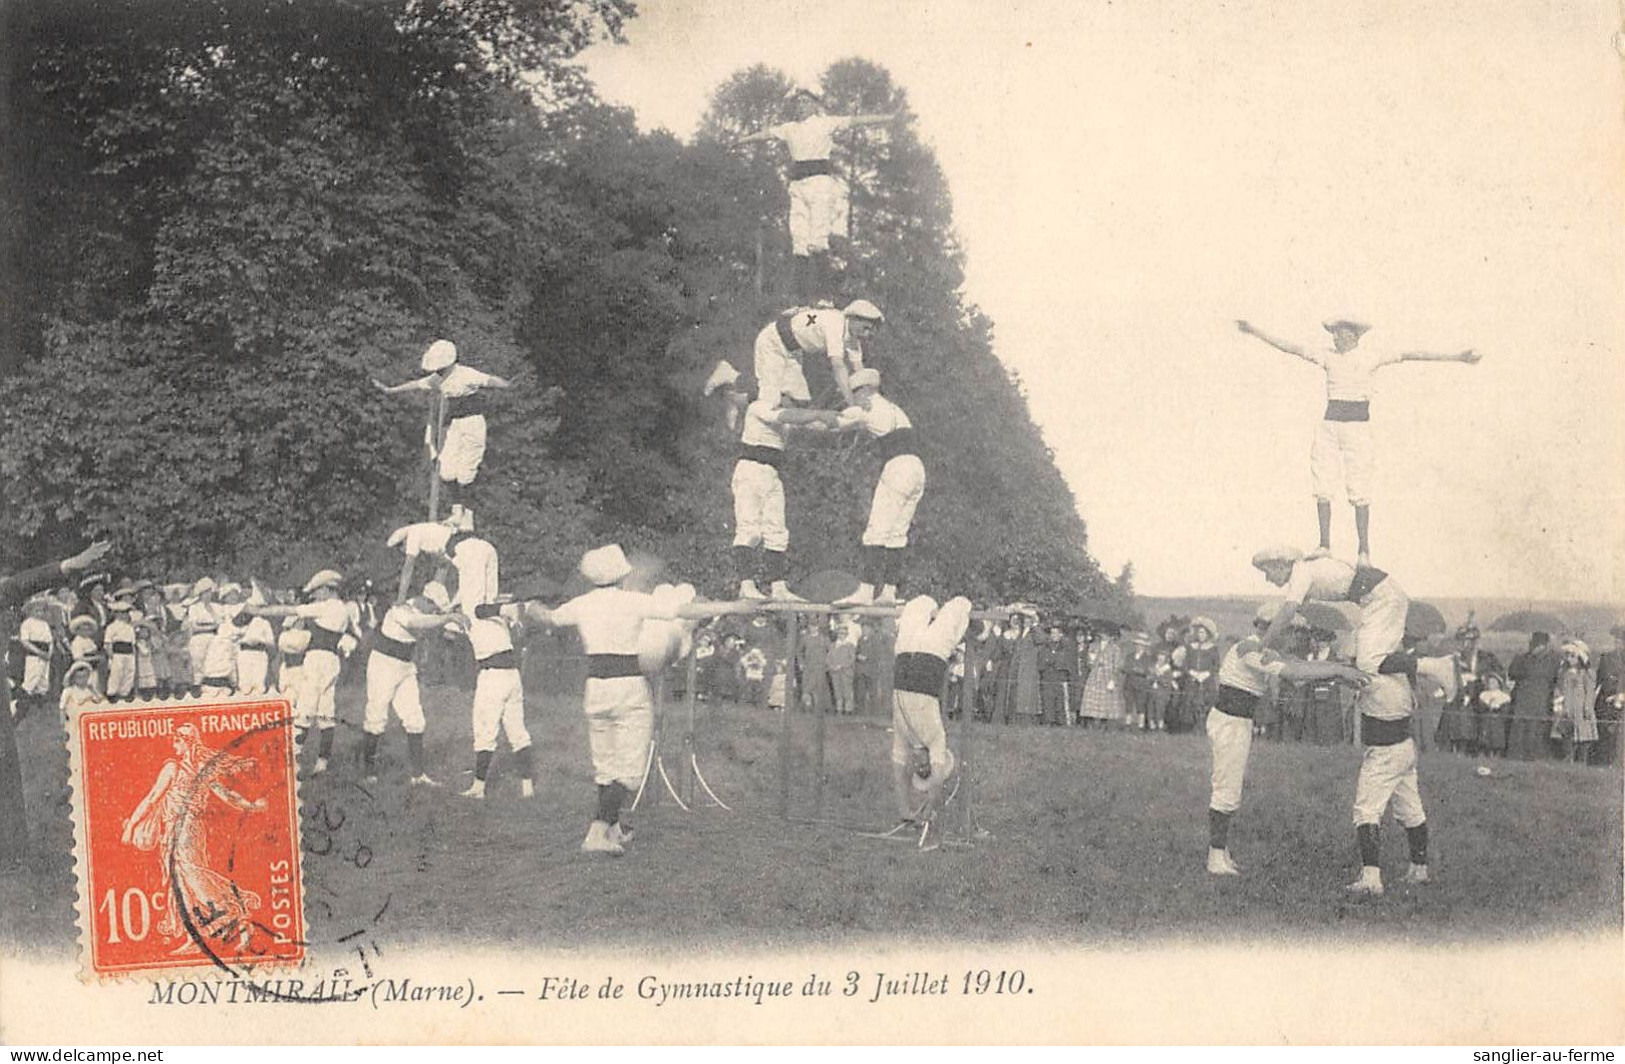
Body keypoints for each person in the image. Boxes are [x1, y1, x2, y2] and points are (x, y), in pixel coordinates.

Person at [1235, 317, 1480, 564]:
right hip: (1329, 426)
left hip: (1357, 428)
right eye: (1334, 334)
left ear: (1354, 336)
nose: (1336, 338)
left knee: (1359, 488)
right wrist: (1255, 331)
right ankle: (1324, 545)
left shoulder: (1371, 357)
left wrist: (1457, 357)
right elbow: (1291, 347)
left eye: (1340, 334)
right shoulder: (1327, 356)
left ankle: (1364, 552)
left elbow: (1411, 354)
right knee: (1322, 485)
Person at [528, 545, 708, 855]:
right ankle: (598, 832)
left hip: (596, 687)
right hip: (627, 686)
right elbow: (683, 611)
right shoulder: (631, 601)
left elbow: (548, 618)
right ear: (622, 576)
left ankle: (612, 828)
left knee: (606, 766)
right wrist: (731, 607)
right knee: (628, 771)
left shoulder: (583, 603)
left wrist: (529, 606)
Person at [1207, 604, 1368, 875]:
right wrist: (1338, 672)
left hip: (1238, 722)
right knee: (1227, 788)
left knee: (1229, 788)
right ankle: (1215, 858)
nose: (1292, 637)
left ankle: (1220, 854)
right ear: (1267, 628)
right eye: (1289, 630)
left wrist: (1338, 670)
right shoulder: (1249, 648)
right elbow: (1293, 673)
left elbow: (1297, 668)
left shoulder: (1264, 650)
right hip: (1229, 722)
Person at [733, 89, 896, 301]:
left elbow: (857, 121)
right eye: (797, 102)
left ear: (814, 105)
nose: (800, 105)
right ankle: (801, 300)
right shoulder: (789, 128)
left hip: (820, 183)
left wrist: (888, 118)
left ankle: (825, 297)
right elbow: (766, 134)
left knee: (818, 240)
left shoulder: (825, 123)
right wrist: (742, 140)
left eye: (804, 101)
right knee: (799, 241)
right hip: (798, 185)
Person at [373, 339, 512, 524]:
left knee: (466, 473)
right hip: (455, 424)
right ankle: (456, 511)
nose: (437, 372)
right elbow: (415, 384)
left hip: (473, 424)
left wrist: (509, 385)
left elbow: (490, 380)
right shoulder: (437, 378)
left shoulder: (466, 374)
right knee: (445, 470)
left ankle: (467, 517)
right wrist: (391, 390)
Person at [729, 392, 837, 601]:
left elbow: (817, 425)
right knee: (749, 530)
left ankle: (778, 586)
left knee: (777, 531)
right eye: (794, 401)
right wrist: (819, 413)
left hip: (771, 474)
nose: (797, 405)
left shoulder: (788, 416)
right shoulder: (760, 406)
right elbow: (791, 416)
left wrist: (853, 419)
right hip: (751, 469)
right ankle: (746, 585)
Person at [886, 594, 973, 851]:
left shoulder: (903, 741)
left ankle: (936, 610)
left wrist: (906, 810)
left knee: (919, 602)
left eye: (918, 770)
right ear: (935, 763)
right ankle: (978, 631)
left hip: (903, 659)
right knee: (959, 604)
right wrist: (932, 811)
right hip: (932, 657)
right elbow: (936, 781)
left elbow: (897, 772)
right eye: (926, 769)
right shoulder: (936, 738)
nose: (918, 765)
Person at [831, 368, 924, 606]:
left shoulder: (865, 407)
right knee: (897, 534)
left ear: (863, 390)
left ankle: (866, 591)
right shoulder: (894, 408)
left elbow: (834, 424)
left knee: (876, 530)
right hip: (916, 468)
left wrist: (806, 422)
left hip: (897, 468)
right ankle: (889, 592)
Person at [244, 570, 350, 774]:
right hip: (332, 660)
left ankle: (293, 760)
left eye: (318, 591)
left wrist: (258, 612)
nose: (316, 596)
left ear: (328, 589)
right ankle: (322, 762)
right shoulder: (342, 609)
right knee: (326, 712)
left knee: (305, 708)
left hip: (317, 659)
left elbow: (290, 610)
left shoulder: (325, 607)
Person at [360, 581, 464, 785]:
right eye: (433, 607)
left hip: (406, 667)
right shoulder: (401, 608)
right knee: (376, 716)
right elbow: (414, 623)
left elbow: (435, 626)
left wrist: (453, 621)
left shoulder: (425, 613)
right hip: (383, 665)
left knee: (415, 719)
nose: (435, 612)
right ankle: (368, 774)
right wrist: (447, 617)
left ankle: (417, 776)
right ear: (425, 600)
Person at [1252, 546, 1408, 679]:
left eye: (1267, 572)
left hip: (1383, 597)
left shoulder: (1300, 573)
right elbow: (1296, 615)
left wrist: (1261, 645)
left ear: (1280, 566)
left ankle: (1422, 665)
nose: (1267, 579)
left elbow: (1288, 612)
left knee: (1367, 664)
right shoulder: (1304, 572)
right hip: (1374, 597)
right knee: (1347, 656)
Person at [747, 300, 885, 410]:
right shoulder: (835, 324)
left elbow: (859, 371)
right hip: (773, 342)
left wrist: (868, 398)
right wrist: (852, 403)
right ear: (853, 318)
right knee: (770, 398)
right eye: (865, 328)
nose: (866, 334)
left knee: (800, 400)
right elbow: (838, 366)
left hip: (793, 350)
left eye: (871, 331)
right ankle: (737, 394)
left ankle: (784, 437)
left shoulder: (853, 338)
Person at [1441, 621, 1500, 755]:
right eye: (1463, 641)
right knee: (1458, 714)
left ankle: (1482, 749)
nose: (1466, 644)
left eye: (1470, 641)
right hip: (1462, 696)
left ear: (1476, 641)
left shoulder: (1487, 657)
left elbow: (1497, 674)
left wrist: (1488, 679)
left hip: (1482, 696)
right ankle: (1457, 748)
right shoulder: (1454, 659)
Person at [1506, 632, 1561, 761]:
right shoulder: (1523, 658)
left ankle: (1534, 757)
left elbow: (1557, 679)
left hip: (1541, 700)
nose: (1533, 648)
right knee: (1521, 729)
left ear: (1545, 645)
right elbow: (1511, 673)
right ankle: (1518, 757)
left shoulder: (1554, 660)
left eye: (1537, 645)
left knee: (1536, 729)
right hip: (1524, 700)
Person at [1554, 640, 1598, 764]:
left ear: (1580, 658)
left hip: (1581, 709)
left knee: (1583, 736)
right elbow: (1559, 688)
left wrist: (1588, 707)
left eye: (1572, 656)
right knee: (1567, 734)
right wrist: (1558, 701)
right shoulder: (1564, 673)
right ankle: (1569, 758)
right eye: (1567, 656)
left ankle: (1582, 760)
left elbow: (1589, 691)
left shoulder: (1586, 674)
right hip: (1567, 707)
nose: (1569, 659)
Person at [1078, 624, 1125, 727]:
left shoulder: (1115, 648)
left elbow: (1118, 665)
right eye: (1102, 634)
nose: (1104, 636)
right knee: (1092, 699)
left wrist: (1113, 679)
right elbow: (1088, 662)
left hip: (1107, 676)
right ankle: (1092, 722)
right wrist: (1091, 661)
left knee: (1106, 700)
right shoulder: (1093, 646)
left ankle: (1104, 723)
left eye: (1107, 634)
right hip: (1095, 675)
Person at [1594, 627, 1625, 766]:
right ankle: (1604, 760)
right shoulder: (1606, 658)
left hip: (1621, 700)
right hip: (1607, 700)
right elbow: (1600, 680)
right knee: (1606, 730)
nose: (1619, 645)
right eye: (1617, 641)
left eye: (1621, 641)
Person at [1037, 625, 1075, 727]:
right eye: (1052, 633)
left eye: (1056, 633)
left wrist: (1055, 661)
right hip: (1048, 676)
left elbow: (1067, 662)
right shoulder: (1045, 647)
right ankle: (1048, 720)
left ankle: (1062, 722)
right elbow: (1041, 662)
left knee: (1060, 700)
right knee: (1047, 699)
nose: (1054, 635)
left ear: (1061, 634)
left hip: (1060, 676)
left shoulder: (1065, 647)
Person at [102, 599, 138, 701]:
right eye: (122, 613)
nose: (124, 615)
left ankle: (125, 692)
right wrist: (111, 655)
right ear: (116, 614)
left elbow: (132, 643)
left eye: (126, 613)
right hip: (117, 653)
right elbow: (108, 642)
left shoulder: (130, 627)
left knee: (129, 672)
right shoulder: (111, 627)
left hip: (129, 653)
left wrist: (133, 654)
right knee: (116, 673)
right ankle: (112, 693)